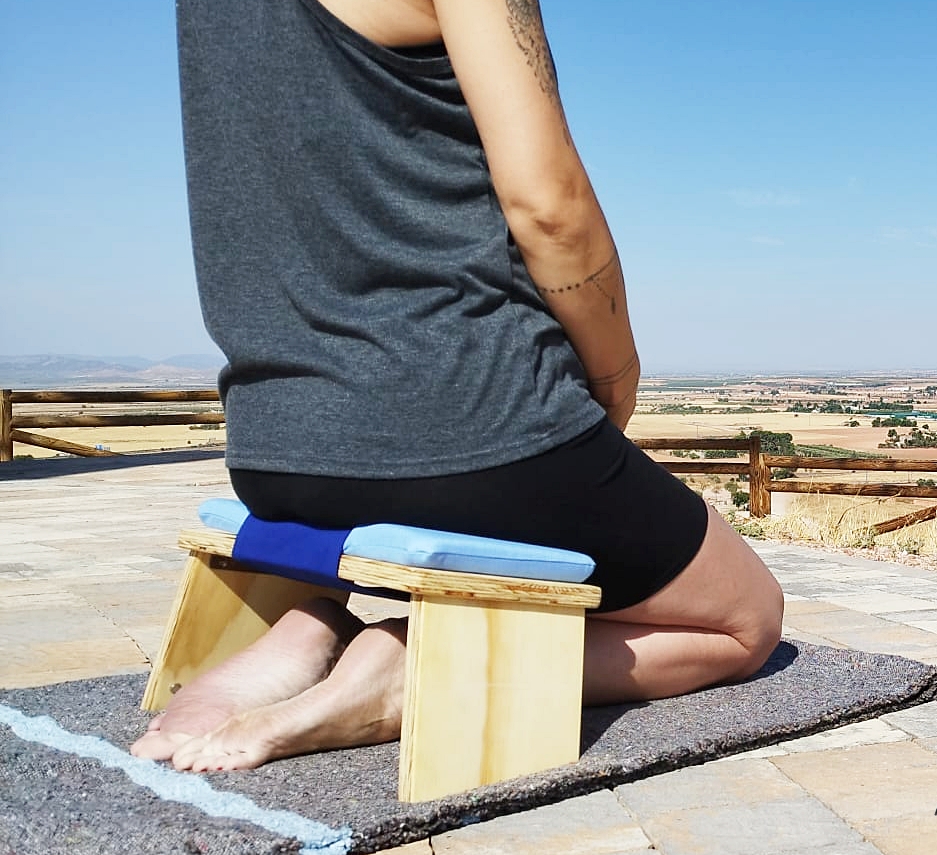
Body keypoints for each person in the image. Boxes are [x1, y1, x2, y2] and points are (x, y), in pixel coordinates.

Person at [132, 0, 783, 772]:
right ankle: (411, 667)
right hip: (471, 429)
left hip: (275, 452)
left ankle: (315, 628)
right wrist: (615, 376)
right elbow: (550, 209)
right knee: (748, 618)